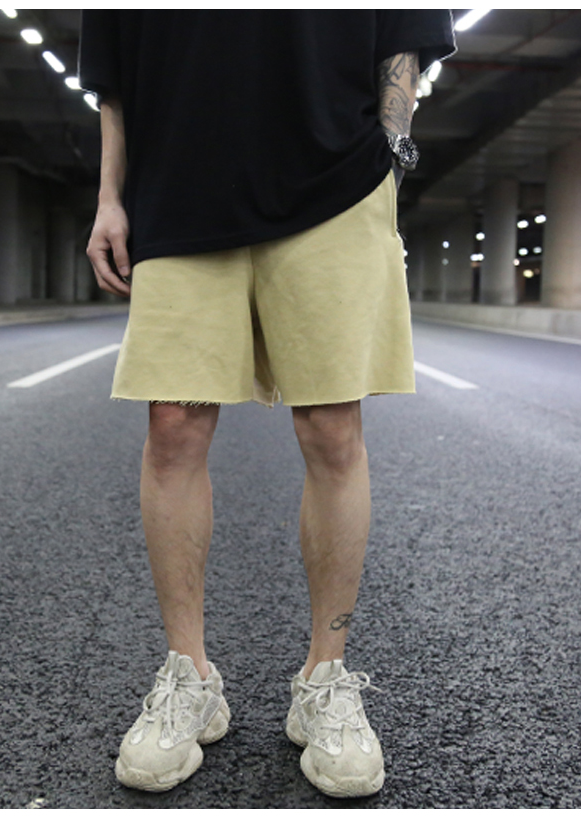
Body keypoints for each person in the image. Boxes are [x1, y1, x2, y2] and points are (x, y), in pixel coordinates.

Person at [79, 10, 455, 798]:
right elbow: (114, 58)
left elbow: (404, 29)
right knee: (173, 425)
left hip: (336, 183)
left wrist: (389, 154)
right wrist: (110, 195)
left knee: (332, 430)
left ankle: (326, 679)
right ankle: (189, 677)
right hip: (177, 181)